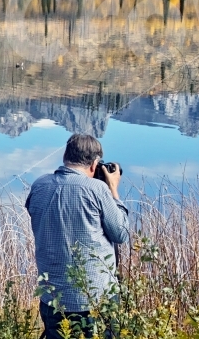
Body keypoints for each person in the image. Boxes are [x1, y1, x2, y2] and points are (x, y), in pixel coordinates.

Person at [25, 133, 129, 339]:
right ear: (94, 164)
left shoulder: (39, 185)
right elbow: (121, 233)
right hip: (95, 300)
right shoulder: (98, 189)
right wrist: (113, 190)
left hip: (52, 299)